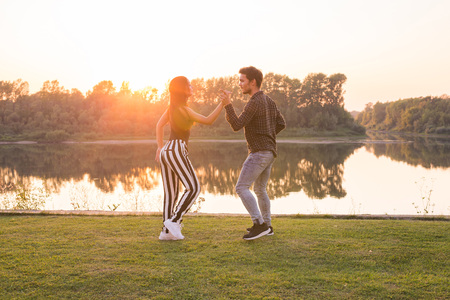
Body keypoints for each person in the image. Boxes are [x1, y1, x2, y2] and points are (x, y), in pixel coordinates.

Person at [220, 66, 286, 240]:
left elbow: (236, 124)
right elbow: (281, 123)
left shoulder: (254, 102)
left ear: (252, 82)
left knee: (241, 187)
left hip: (259, 153)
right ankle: (268, 226)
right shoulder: (269, 101)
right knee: (260, 189)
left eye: (242, 81)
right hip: (270, 152)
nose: (240, 84)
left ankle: (259, 224)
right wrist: (267, 137)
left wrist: (227, 105)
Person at [155, 76, 224, 240]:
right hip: (177, 149)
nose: (192, 87)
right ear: (183, 89)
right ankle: (174, 221)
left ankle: (166, 232)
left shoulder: (171, 108)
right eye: (189, 85)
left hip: (167, 150)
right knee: (193, 188)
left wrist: (159, 148)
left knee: (170, 194)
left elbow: (158, 125)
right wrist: (223, 103)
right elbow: (208, 120)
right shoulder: (184, 109)